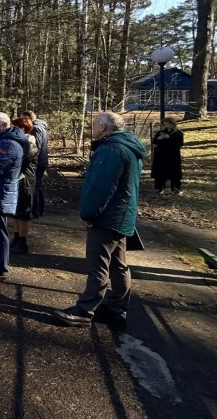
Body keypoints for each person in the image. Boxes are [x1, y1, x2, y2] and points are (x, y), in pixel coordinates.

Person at [53, 112, 146, 329]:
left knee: (99, 265)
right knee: (118, 264)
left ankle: (85, 310)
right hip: (122, 215)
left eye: (94, 124)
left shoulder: (111, 150)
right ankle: (117, 308)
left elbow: (101, 187)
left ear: (103, 127)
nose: (92, 128)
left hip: (107, 218)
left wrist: (89, 213)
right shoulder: (129, 147)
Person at [0, 112, 26, 281]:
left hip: (0, 193)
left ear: (2, 125)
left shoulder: (8, 145)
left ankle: (0, 268)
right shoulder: (1, 142)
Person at [10, 117, 38, 254]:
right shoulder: (19, 142)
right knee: (15, 211)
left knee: (24, 211)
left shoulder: (30, 143)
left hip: (26, 181)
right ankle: (16, 237)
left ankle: (22, 241)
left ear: (22, 129)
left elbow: (23, 162)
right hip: (17, 180)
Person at [21, 110, 49, 217]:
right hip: (41, 160)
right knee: (38, 185)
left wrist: (31, 159)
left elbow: (36, 146)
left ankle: (35, 210)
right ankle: (39, 209)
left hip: (38, 161)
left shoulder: (36, 129)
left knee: (34, 185)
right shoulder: (41, 127)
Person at [151, 117, 184, 195]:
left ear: (172, 124)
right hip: (161, 155)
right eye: (165, 124)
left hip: (172, 155)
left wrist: (169, 138)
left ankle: (176, 188)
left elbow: (179, 144)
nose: (166, 126)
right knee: (160, 172)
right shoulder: (161, 132)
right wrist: (158, 139)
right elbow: (155, 141)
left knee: (174, 172)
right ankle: (160, 188)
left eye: (168, 124)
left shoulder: (178, 133)